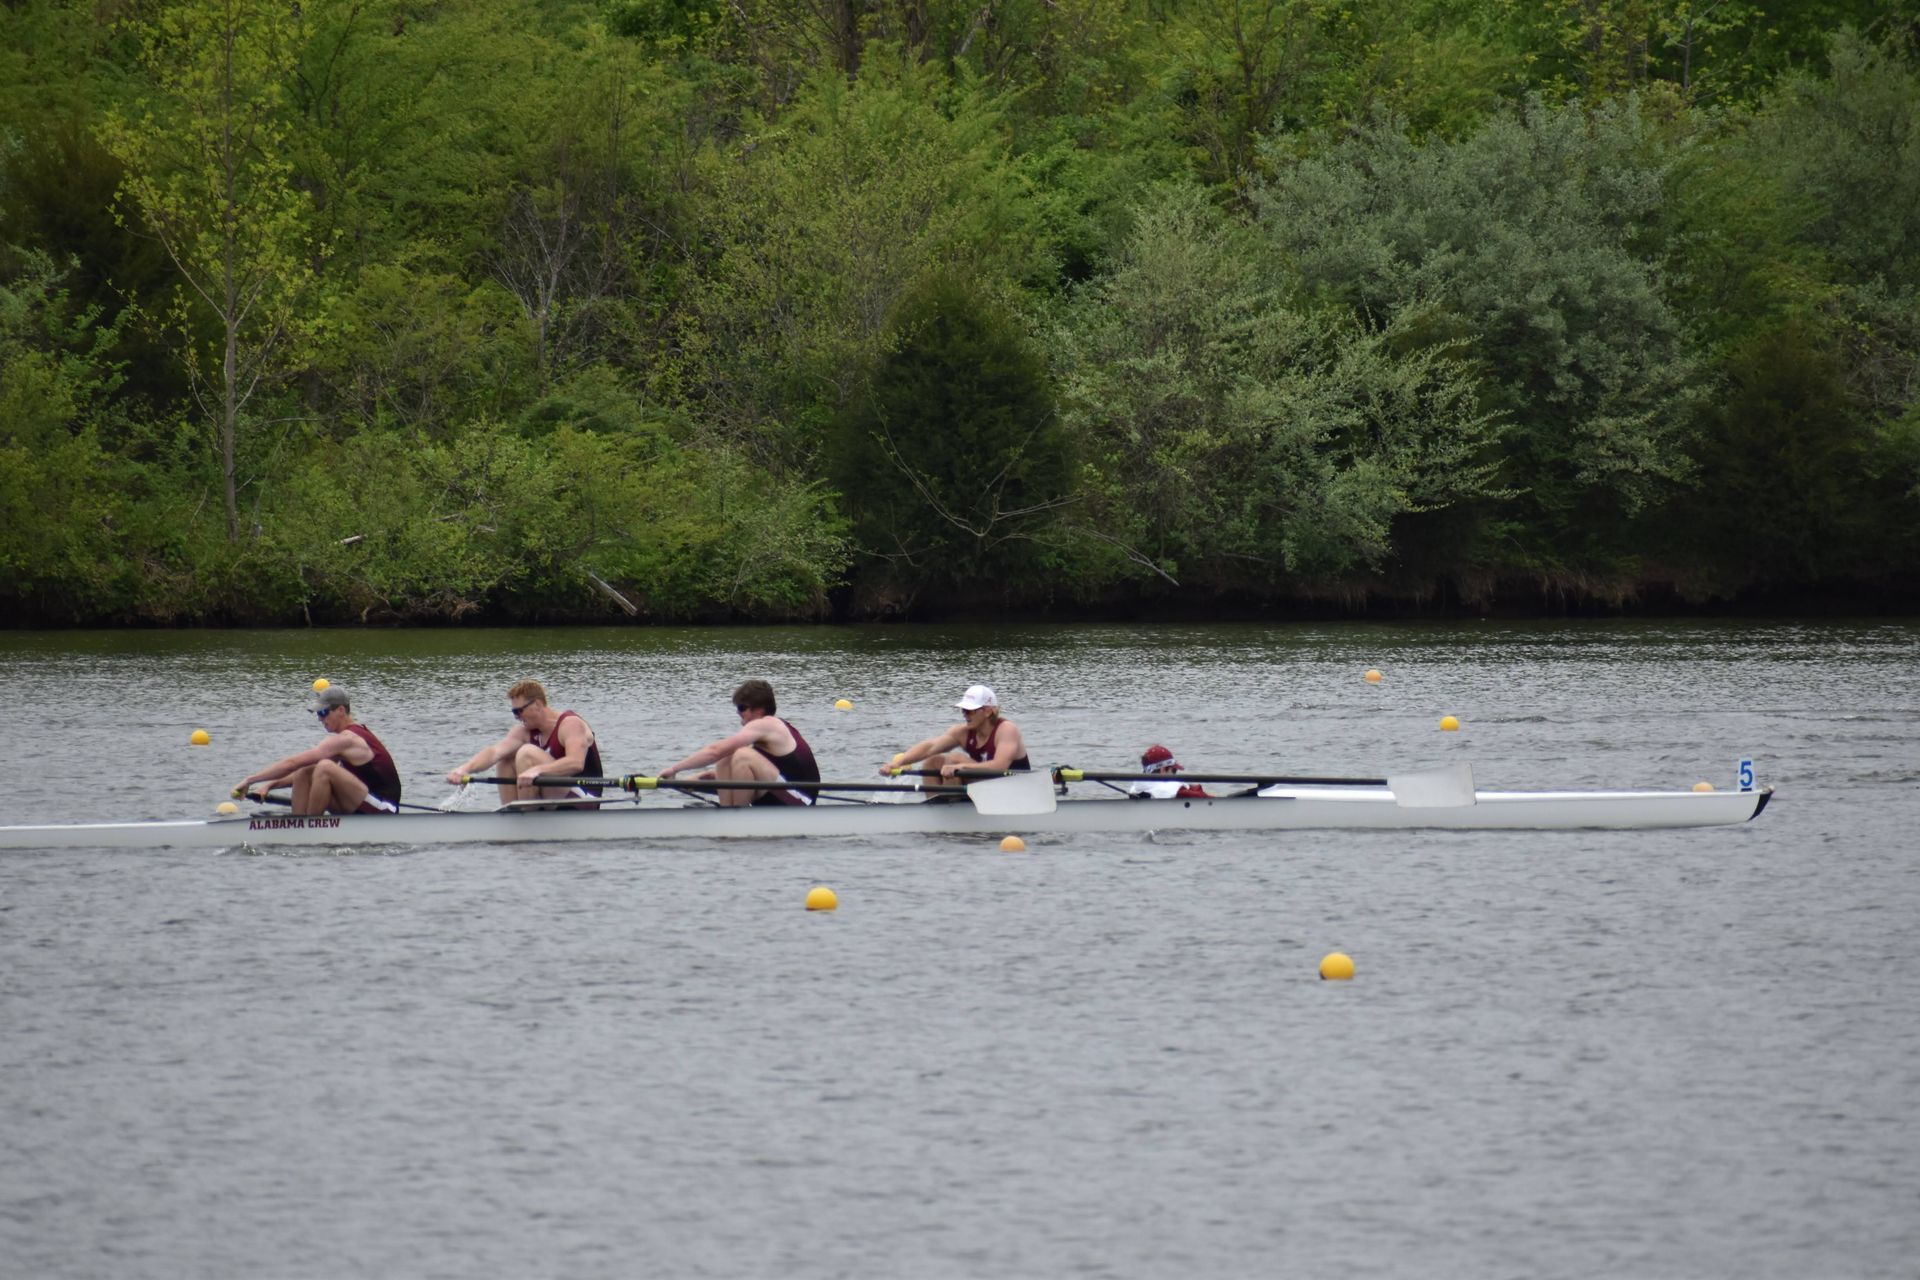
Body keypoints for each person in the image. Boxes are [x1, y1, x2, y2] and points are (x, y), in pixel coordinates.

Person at [235, 686, 403, 815]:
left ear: (341, 711)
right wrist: (269, 785)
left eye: (323, 713)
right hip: (362, 802)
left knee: (323, 767)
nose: (320, 719)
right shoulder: (343, 740)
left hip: (384, 809)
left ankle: (310, 829)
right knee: (305, 771)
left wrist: (250, 780)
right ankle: (298, 825)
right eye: (318, 714)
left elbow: (291, 763)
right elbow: (298, 769)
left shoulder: (348, 739)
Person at [658, 679, 821, 807]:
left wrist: (675, 768)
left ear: (759, 709)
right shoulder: (766, 736)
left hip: (801, 802)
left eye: (742, 708)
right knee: (727, 759)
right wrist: (679, 782)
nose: (738, 713)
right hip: (784, 794)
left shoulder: (767, 724)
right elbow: (724, 773)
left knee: (740, 755)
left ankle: (735, 817)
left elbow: (715, 750)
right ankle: (730, 815)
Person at [446, 679, 604, 805]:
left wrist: (537, 770)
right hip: (554, 798)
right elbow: (495, 752)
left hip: (584, 798)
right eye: (513, 712)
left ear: (537, 704)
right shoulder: (523, 731)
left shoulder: (570, 724)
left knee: (526, 753)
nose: (516, 717)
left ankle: (527, 818)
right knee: (506, 759)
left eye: (519, 711)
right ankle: (514, 816)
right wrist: (464, 769)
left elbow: (576, 763)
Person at [886, 684, 1029, 781]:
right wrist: (899, 762)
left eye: (969, 710)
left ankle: (954, 807)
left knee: (954, 759)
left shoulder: (1007, 730)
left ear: (987, 711)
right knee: (933, 761)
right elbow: (930, 747)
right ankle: (938, 807)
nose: (965, 715)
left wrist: (961, 766)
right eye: (963, 710)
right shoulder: (962, 732)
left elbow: (1000, 766)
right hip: (987, 786)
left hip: (1015, 787)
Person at [1128, 744, 1210, 800]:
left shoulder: (1135, 790)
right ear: (1163, 770)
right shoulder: (1175, 791)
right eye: (1174, 770)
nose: (1176, 774)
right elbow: (1203, 798)